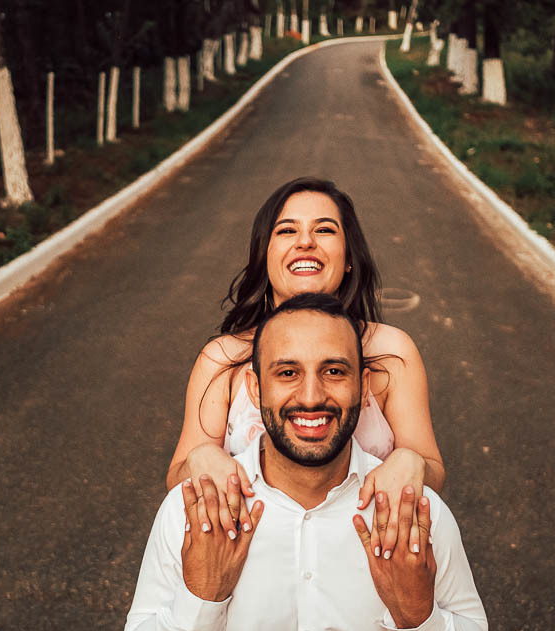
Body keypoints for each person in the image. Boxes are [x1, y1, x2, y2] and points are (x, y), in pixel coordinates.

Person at [126, 294, 487, 631]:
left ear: (363, 388)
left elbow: (471, 626)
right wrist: (201, 596)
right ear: (255, 389)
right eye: (287, 373)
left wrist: (417, 617)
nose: (311, 397)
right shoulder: (191, 509)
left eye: (333, 371)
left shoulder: (415, 511)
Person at [167, 177, 444, 557]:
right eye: (286, 230)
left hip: (367, 558)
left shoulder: (391, 353)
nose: (305, 241)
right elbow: (178, 475)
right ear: (265, 255)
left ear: (348, 258)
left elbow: (431, 469)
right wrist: (199, 459)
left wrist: (410, 462)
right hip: (249, 561)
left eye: (325, 229)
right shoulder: (223, 359)